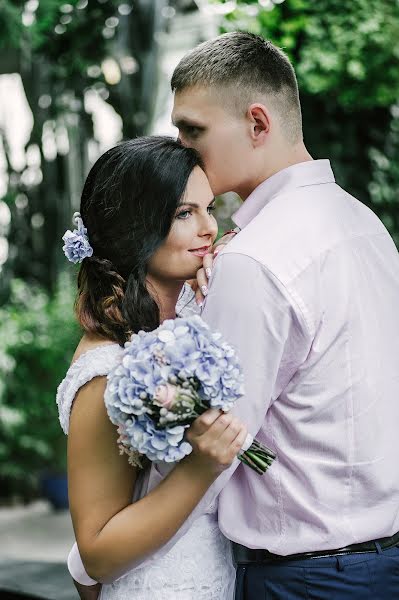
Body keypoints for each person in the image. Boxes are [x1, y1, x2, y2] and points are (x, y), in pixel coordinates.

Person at [70, 31, 399, 599]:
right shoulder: (363, 224)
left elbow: (219, 448)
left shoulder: (256, 259)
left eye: (192, 130)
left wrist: (86, 565)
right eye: (183, 212)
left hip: (302, 577)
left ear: (257, 123)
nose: (183, 147)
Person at [56, 136, 248, 600]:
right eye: (185, 214)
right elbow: (96, 554)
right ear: (134, 228)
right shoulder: (106, 369)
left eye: (209, 208)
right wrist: (202, 466)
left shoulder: (183, 323)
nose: (209, 228)